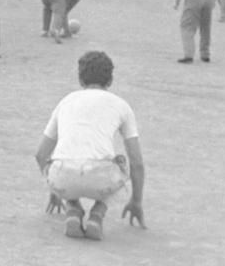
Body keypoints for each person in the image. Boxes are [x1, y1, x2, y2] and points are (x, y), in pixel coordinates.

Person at [34, 51, 145, 241]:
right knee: (122, 163)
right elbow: (137, 163)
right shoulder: (122, 106)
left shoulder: (66, 101)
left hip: (62, 176)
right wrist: (136, 201)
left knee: (64, 165)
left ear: (80, 79)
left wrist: (55, 188)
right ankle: (97, 214)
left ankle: (73, 207)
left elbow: (40, 154)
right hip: (101, 178)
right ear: (110, 80)